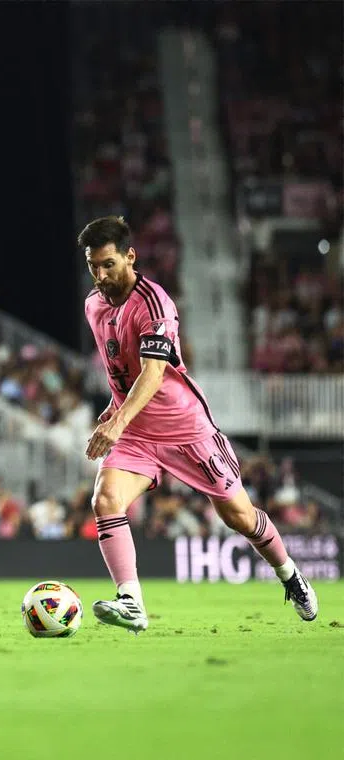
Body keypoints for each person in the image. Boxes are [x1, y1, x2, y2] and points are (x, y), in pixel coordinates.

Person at [79, 216, 317, 634]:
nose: (100, 275)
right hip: (136, 433)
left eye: (108, 264)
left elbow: (153, 373)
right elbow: (120, 366)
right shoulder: (93, 305)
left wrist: (117, 419)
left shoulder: (155, 304)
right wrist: (116, 412)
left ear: (130, 257)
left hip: (185, 429)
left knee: (238, 516)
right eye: (93, 266)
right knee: (105, 500)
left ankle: (290, 574)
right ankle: (131, 602)